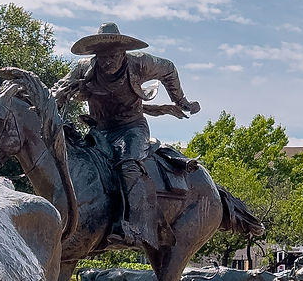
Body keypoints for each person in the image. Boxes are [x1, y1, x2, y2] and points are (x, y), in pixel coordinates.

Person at [51, 22, 199, 247]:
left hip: (131, 128)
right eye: (102, 56)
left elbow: (168, 68)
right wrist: (57, 95)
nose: (107, 61)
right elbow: (59, 87)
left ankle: (134, 224)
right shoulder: (84, 68)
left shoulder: (140, 63)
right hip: (99, 129)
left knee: (128, 164)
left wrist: (181, 101)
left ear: (122, 53)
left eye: (112, 55)